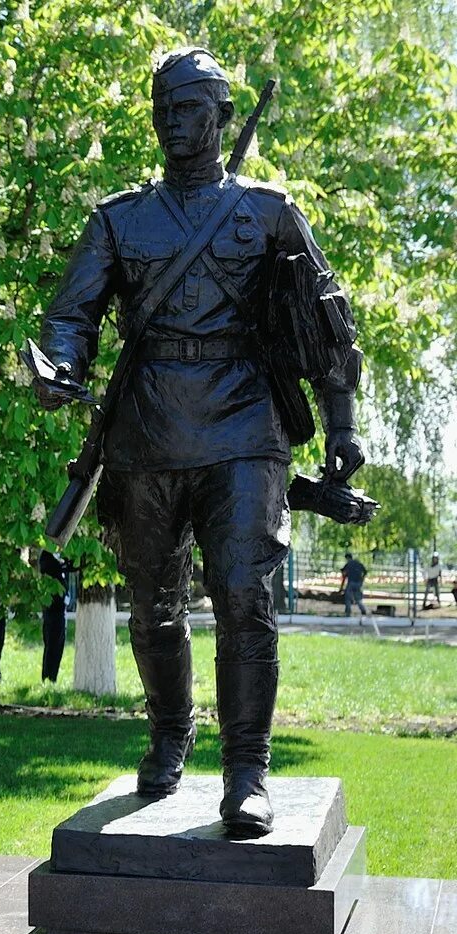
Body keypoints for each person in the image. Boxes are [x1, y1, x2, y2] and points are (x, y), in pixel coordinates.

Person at [37, 48, 364, 834]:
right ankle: (169, 731)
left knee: (244, 596)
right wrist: (58, 365)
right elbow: (71, 314)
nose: (170, 123)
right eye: (162, 109)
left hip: (246, 428)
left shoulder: (269, 211)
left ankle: (247, 768)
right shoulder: (120, 218)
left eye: (185, 109)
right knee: (152, 606)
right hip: (146, 431)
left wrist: (343, 431)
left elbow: (327, 325)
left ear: (220, 115)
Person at [39, 551, 70, 683]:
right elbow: (54, 567)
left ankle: (51, 678)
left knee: (57, 646)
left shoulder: (58, 556)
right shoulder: (47, 557)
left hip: (59, 610)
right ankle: (48, 678)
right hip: (53, 610)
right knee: (52, 646)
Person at [340, 551, 368, 617]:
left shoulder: (348, 564)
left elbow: (344, 576)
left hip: (351, 583)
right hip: (358, 583)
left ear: (347, 558)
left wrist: (341, 587)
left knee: (348, 598)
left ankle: (348, 612)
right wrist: (362, 580)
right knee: (358, 598)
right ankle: (363, 610)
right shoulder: (358, 563)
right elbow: (365, 572)